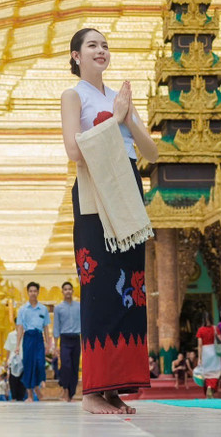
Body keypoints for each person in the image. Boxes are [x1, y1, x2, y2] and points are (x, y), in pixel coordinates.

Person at [60, 28, 158, 414]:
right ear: (76, 57)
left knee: (131, 290)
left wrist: (128, 117)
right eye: (92, 46)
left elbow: (151, 151)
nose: (101, 51)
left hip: (129, 190)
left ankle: (115, 387)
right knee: (100, 288)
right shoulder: (74, 96)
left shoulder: (119, 96)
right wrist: (113, 119)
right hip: (95, 195)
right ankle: (91, 392)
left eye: (105, 45)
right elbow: (73, 149)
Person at [15, 281, 53, 402]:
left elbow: (46, 328)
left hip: (39, 337)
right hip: (28, 338)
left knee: (40, 364)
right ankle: (30, 395)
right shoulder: (22, 309)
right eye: (31, 291)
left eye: (35, 291)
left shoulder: (43, 309)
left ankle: (37, 387)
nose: (33, 293)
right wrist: (17, 345)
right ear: (27, 293)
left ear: (38, 292)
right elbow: (20, 328)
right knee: (28, 365)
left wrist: (48, 343)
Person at [53, 281, 81, 402]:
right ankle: (65, 390)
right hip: (64, 339)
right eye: (65, 289)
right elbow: (56, 326)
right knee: (66, 365)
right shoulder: (58, 308)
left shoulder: (79, 306)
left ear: (73, 291)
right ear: (62, 292)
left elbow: (84, 323)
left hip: (76, 338)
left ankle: (71, 394)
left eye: (70, 289)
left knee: (75, 367)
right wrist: (55, 345)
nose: (68, 291)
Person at [196, 312, 221, 398]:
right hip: (214, 351)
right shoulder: (215, 328)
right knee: (215, 372)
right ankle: (211, 387)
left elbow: (199, 345)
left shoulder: (200, 330)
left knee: (206, 372)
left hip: (205, 352)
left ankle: (208, 387)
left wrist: (199, 358)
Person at [2, 328, 26, 401]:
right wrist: (6, 361)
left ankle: (21, 397)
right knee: (13, 379)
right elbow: (8, 349)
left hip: (23, 359)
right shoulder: (11, 335)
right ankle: (14, 397)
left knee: (22, 380)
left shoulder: (26, 335)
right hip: (13, 361)